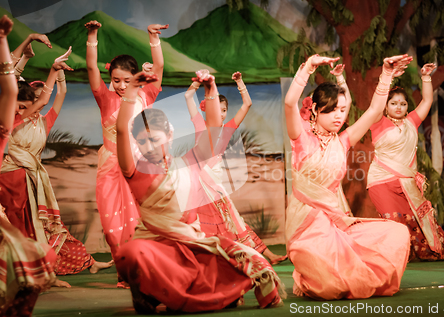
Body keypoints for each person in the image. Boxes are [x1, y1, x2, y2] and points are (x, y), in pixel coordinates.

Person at [114, 70, 284, 314]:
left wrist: (210, 90)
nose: (149, 146)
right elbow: (121, 131)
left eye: (154, 138)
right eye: (142, 142)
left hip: (189, 245)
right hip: (153, 246)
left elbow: (214, 128)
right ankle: (146, 290)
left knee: (242, 260)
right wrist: (131, 92)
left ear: (170, 135)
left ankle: (176, 293)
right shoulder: (134, 171)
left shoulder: (189, 161)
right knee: (130, 252)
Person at [285, 54, 413, 300]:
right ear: (314, 109)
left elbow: (375, 110)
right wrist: (307, 68)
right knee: (331, 288)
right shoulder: (300, 139)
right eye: (332, 110)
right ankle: (307, 272)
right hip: (306, 227)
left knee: (397, 234)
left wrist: (386, 73)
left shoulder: (343, 141)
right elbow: (290, 104)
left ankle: (328, 268)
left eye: (343, 110)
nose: (338, 116)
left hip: (334, 222)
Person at [0, 53, 113, 283]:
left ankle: (87, 262)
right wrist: (52, 69)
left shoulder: (44, 121)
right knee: (21, 228)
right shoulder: (13, 120)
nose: (19, 110)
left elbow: (59, 96)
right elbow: (42, 100)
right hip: (11, 179)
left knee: (51, 228)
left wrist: (60, 75)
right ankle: (31, 274)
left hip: (32, 180)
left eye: (23, 106)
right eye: (17, 106)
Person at [367, 63, 444, 261]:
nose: (398, 107)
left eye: (403, 103)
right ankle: (394, 257)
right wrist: (387, 76)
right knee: (394, 223)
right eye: (393, 103)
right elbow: (375, 104)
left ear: (407, 106)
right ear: (386, 106)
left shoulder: (412, 121)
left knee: (421, 221)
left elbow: (426, 99)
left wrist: (426, 77)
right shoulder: (377, 122)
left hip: (406, 183)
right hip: (381, 181)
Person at [84, 20, 166, 272]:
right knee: (112, 224)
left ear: (137, 79)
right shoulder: (105, 98)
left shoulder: (145, 95)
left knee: (144, 219)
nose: (121, 86)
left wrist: (153, 38)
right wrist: (93, 35)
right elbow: (90, 67)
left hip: (141, 166)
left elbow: (160, 67)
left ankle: (145, 269)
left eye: (127, 80)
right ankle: (125, 270)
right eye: (116, 80)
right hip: (110, 165)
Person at [184, 71, 286, 264]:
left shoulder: (228, 128)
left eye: (224, 110)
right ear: (207, 109)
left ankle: (264, 255)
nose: (220, 113)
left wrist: (240, 82)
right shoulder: (199, 123)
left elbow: (247, 104)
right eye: (217, 109)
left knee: (233, 220)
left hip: (215, 181)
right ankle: (204, 260)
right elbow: (188, 96)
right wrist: (197, 83)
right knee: (215, 221)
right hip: (199, 181)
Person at [0, 14, 56, 317]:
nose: (17, 110)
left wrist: (4, 40)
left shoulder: (9, 125)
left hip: (12, 180)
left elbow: (12, 88)